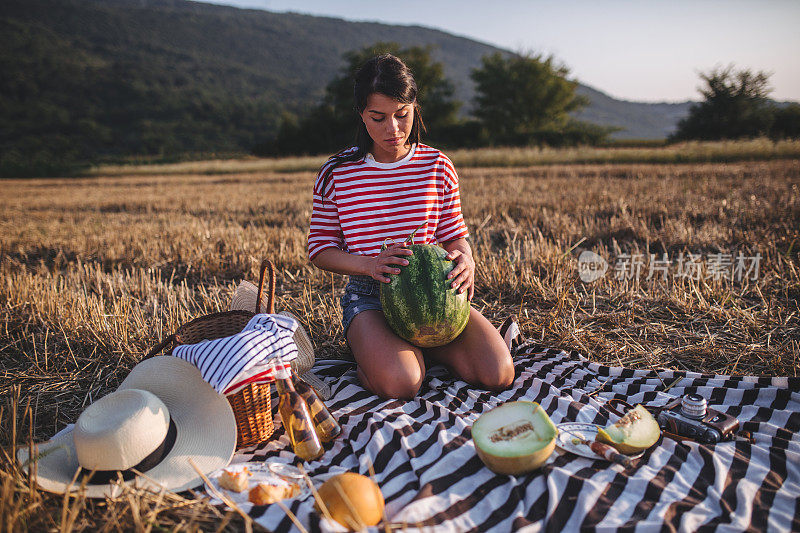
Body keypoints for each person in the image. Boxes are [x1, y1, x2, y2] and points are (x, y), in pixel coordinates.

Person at [308, 54, 514, 400]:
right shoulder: (336, 173)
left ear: (415, 107)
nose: (393, 129)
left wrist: (467, 260)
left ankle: (420, 347)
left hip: (438, 293)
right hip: (370, 298)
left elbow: (454, 236)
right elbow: (320, 250)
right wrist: (369, 265)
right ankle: (387, 355)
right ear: (361, 113)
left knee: (498, 374)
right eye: (378, 117)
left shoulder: (437, 165)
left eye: (402, 114)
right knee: (403, 384)